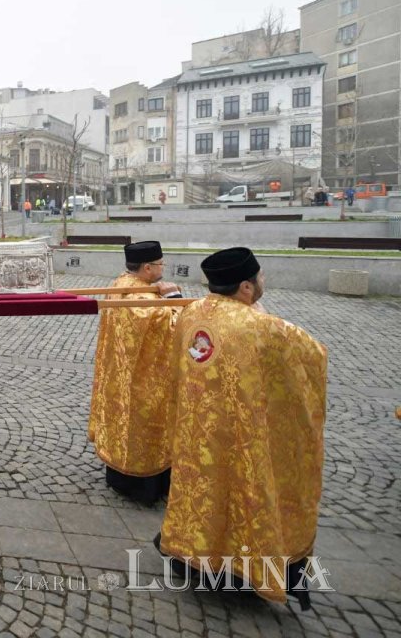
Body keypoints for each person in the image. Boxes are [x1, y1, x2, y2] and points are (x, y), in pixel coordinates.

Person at [156, 247, 327, 609]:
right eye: (260, 277)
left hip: (197, 433)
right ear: (246, 288)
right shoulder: (262, 327)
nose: (263, 281)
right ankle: (243, 571)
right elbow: (314, 357)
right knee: (242, 500)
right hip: (243, 440)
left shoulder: (191, 314)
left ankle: (194, 554)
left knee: (202, 497)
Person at [89, 241, 181, 505]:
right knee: (144, 427)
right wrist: (174, 298)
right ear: (147, 268)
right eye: (161, 264)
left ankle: (118, 477)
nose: (164, 268)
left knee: (122, 420)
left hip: (120, 374)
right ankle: (144, 488)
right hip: (146, 381)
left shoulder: (119, 285)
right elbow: (180, 327)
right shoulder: (147, 302)